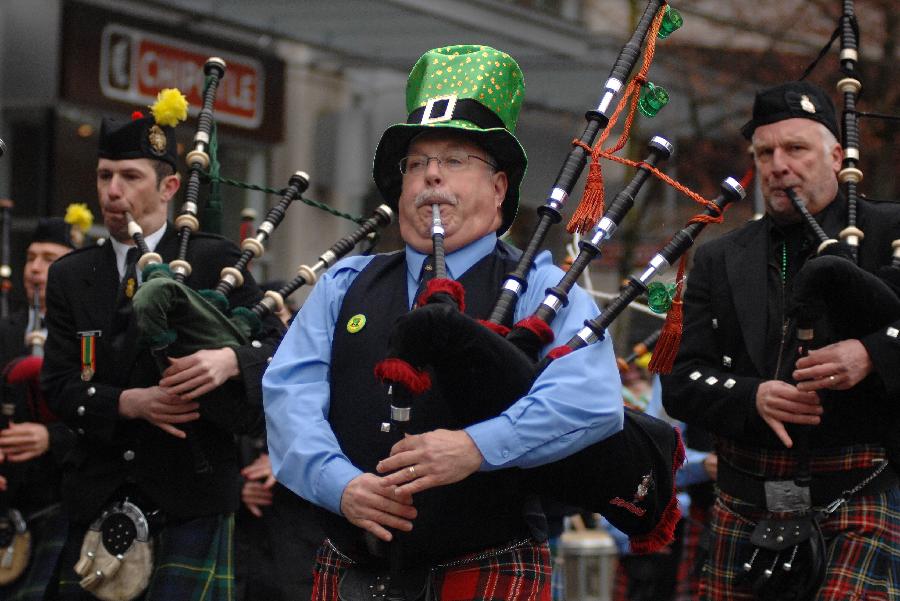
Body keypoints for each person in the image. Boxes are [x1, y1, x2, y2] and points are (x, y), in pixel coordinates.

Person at [263, 44, 624, 601]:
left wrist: (476, 447)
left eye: (455, 160)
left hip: (486, 564)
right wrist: (343, 486)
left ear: (499, 188)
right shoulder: (344, 284)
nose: (432, 176)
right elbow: (289, 397)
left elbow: (590, 399)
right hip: (352, 567)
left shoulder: (539, 290)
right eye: (417, 163)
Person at [662, 80, 900, 600]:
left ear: (836, 155)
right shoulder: (721, 257)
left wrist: (872, 353)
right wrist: (754, 395)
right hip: (747, 500)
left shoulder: (890, 231)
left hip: (857, 491)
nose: (777, 164)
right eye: (764, 152)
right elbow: (681, 382)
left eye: (795, 148)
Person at [41, 102, 283, 600]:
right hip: (96, 498)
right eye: (105, 175)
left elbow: (281, 349)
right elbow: (60, 385)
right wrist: (132, 404)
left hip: (189, 496)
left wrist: (228, 361)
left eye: (129, 177)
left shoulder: (215, 259)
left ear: (169, 187)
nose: (113, 191)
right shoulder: (70, 275)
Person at [0, 218, 76, 600]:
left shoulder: (86, 337)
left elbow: (103, 414)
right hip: (9, 501)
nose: (34, 268)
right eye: (30, 258)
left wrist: (52, 437)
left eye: (48, 259)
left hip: (66, 499)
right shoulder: (4, 332)